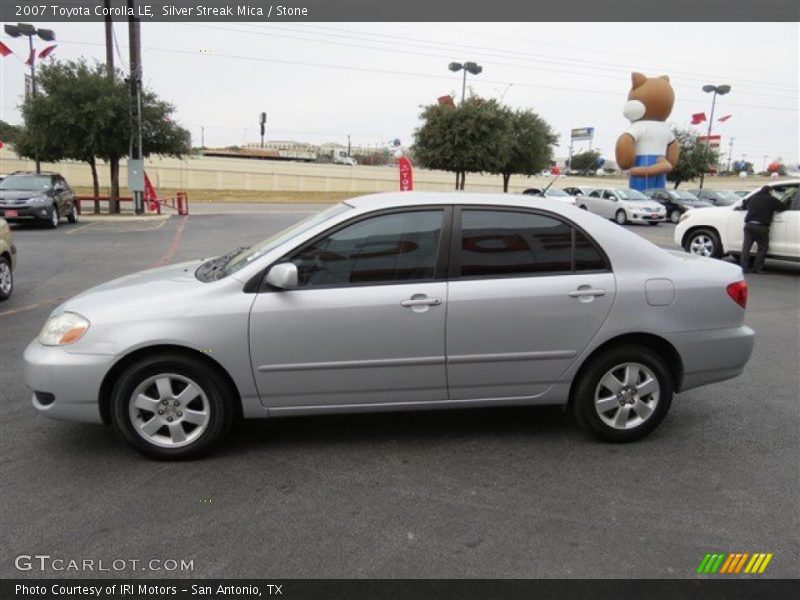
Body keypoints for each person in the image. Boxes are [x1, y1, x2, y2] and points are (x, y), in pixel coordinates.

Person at [739, 185, 788, 273]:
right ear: (770, 191)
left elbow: (743, 205)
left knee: (746, 248)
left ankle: (744, 268)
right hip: (761, 227)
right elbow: (783, 207)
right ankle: (757, 268)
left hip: (749, 226)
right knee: (762, 248)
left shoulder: (753, 197)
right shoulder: (771, 199)